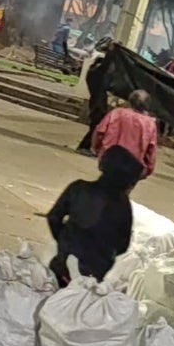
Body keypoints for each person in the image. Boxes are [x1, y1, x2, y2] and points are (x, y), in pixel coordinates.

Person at [45, 145, 145, 286]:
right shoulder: (122, 205)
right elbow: (123, 244)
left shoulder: (78, 188)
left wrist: (65, 240)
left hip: (63, 262)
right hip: (94, 272)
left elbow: (53, 217)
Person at [91, 89, 158, 180]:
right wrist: (148, 169)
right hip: (132, 166)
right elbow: (151, 150)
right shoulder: (150, 123)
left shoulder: (116, 113)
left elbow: (99, 132)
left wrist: (97, 149)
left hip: (109, 159)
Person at [76, 48, 111, 156]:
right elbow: (105, 66)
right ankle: (84, 146)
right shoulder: (97, 75)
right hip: (98, 105)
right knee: (95, 127)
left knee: (95, 128)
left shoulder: (92, 74)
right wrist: (112, 53)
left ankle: (90, 147)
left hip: (96, 103)